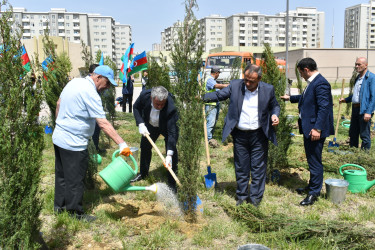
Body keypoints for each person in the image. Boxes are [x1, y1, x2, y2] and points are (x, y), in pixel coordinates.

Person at [52, 65, 132, 221]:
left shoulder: (74, 82)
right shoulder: (91, 93)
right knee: (76, 180)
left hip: (59, 138)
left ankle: (59, 208)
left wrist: (60, 124)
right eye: (107, 83)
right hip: (74, 143)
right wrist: (122, 144)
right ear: (98, 77)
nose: (107, 88)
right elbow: (103, 123)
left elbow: (58, 104)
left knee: (61, 175)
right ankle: (75, 214)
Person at [203, 64, 280, 207]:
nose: (248, 83)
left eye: (252, 81)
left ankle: (255, 199)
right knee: (241, 167)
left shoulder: (268, 89)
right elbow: (219, 95)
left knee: (258, 168)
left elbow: (274, 105)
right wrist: (201, 97)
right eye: (246, 79)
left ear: (259, 79)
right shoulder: (235, 85)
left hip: (259, 135)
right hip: (240, 135)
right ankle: (242, 197)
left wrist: (275, 115)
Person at [280, 57, 334, 206]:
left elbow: (324, 108)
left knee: (315, 161)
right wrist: (290, 98)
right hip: (309, 128)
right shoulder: (313, 82)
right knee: (311, 159)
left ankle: (314, 193)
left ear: (306, 70)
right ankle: (312, 186)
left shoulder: (321, 83)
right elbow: (306, 99)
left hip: (314, 130)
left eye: (301, 73)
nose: (301, 76)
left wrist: (317, 128)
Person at [131, 86, 179, 191]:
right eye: (157, 104)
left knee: (172, 153)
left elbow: (172, 133)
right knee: (145, 147)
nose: (160, 106)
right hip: (150, 125)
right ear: (151, 98)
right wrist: (140, 124)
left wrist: (169, 154)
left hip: (166, 126)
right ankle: (143, 173)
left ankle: (172, 182)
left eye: (162, 104)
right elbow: (136, 108)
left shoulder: (171, 107)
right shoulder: (144, 96)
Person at [339, 57, 375, 150]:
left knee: (364, 134)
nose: (356, 66)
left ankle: (364, 156)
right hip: (355, 109)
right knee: (353, 133)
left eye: (359, 64)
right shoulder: (358, 78)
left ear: (366, 65)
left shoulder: (371, 77)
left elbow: (373, 97)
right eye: (356, 64)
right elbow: (356, 95)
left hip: (364, 110)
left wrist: (369, 112)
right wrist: (345, 100)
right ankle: (353, 152)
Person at [204, 66, 229, 148]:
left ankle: (211, 139)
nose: (219, 75)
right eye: (218, 73)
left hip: (215, 104)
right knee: (210, 123)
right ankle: (208, 140)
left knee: (214, 122)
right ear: (216, 73)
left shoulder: (213, 80)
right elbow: (216, 86)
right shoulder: (209, 79)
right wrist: (226, 85)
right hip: (211, 105)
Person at [88, 64, 104, 153]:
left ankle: (95, 148)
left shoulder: (95, 84)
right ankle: (92, 150)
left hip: (96, 111)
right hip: (90, 113)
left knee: (97, 130)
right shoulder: (87, 85)